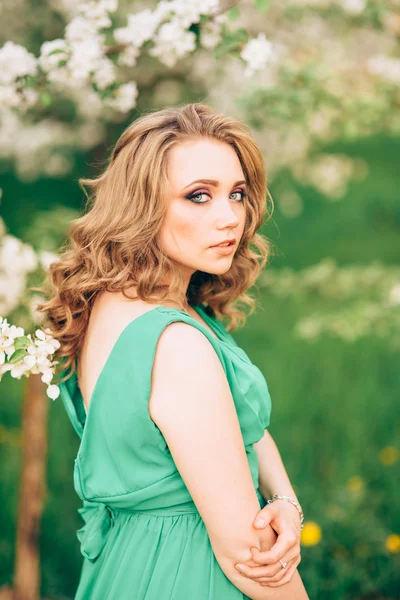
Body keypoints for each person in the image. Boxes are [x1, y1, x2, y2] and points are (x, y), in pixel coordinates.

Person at [39, 103, 309, 599]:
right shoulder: (175, 345)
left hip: (127, 566)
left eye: (238, 194)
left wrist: (286, 500)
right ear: (141, 205)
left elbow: (243, 429)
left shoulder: (115, 304)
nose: (229, 218)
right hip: (192, 572)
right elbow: (245, 553)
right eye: (198, 196)